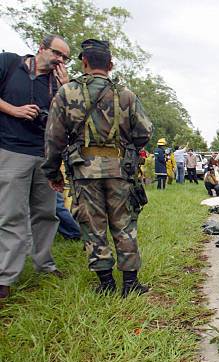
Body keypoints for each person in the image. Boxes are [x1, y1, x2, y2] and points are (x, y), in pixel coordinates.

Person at [42, 38, 152, 297]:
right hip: (120, 169)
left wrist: (52, 171)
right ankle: (130, 284)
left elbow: (54, 136)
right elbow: (144, 131)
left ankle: (105, 284)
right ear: (110, 65)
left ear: (85, 62)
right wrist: (126, 147)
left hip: (84, 171)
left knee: (93, 226)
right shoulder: (125, 95)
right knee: (124, 224)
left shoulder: (67, 92)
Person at [0, 34, 71, 300]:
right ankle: (5, 276)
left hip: (43, 154)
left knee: (46, 213)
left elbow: (63, 120)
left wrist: (66, 91)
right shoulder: (9, 64)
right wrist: (13, 110)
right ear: (41, 49)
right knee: (12, 215)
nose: (60, 60)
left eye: (65, 58)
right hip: (11, 150)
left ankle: (45, 264)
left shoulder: (56, 83)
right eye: (57, 54)